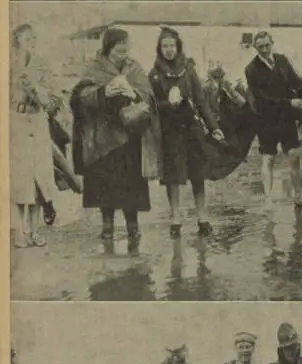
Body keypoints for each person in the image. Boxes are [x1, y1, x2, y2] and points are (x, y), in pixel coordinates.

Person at [70, 27, 162, 243]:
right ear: (108, 49)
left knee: (131, 182)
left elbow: (148, 95)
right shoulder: (94, 68)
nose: (122, 56)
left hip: (129, 135)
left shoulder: (134, 67)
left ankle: (133, 225)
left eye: (125, 51)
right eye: (117, 53)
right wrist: (103, 93)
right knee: (105, 183)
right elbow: (79, 98)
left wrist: (134, 93)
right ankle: (107, 225)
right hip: (103, 136)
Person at [149, 26, 225, 238]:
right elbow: (152, 107)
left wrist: (214, 128)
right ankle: (175, 218)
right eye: (164, 46)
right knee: (172, 177)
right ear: (159, 49)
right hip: (170, 131)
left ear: (178, 47)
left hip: (191, 129)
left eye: (172, 46)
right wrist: (169, 104)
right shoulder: (154, 74)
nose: (169, 50)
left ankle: (203, 217)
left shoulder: (188, 70)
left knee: (197, 174)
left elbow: (201, 102)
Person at [244, 29, 302, 207]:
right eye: (260, 47)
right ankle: (268, 198)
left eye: (267, 45)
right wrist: (289, 103)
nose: (265, 50)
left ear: (272, 43)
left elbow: (296, 82)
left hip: (286, 118)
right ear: (255, 47)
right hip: (266, 119)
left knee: (293, 155)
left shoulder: (281, 60)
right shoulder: (251, 69)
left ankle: (298, 195)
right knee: (268, 157)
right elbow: (262, 99)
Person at [10, 24, 58, 248]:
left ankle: (34, 231)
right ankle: (20, 232)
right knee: (20, 179)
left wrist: (37, 88)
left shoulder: (42, 65)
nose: (31, 41)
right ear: (17, 40)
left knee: (39, 177)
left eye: (33, 37)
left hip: (37, 121)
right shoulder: (9, 64)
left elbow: (51, 100)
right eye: (25, 38)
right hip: (16, 121)